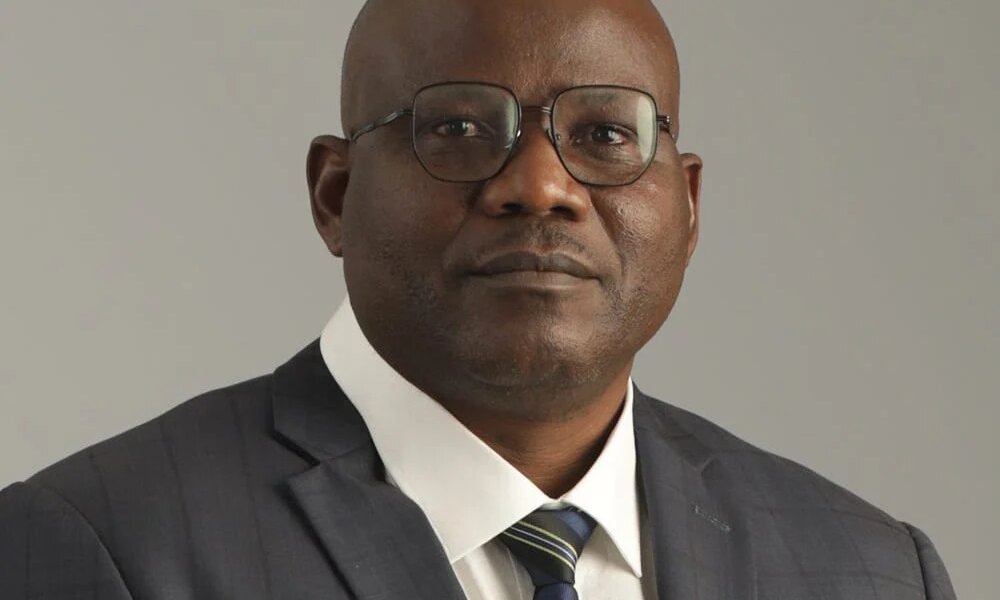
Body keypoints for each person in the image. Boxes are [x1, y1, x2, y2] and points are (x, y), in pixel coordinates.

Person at [0, 0, 957, 598]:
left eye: (606, 134)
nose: (540, 186)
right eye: (458, 128)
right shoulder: (103, 550)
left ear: (690, 205)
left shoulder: (873, 570)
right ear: (335, 195)